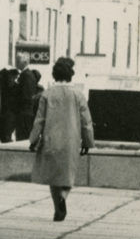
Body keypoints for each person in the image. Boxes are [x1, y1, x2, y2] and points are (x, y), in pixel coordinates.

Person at [30, 56, 94, 221]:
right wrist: (87, 141)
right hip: (71, 140)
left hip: (51, 140)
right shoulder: (78, 95)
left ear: (54, 75)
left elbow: (39, 120)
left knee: (53, 176)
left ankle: (56, 206)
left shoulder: (47, 94)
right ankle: (64, 197)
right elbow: (86, 121)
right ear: (71, 75)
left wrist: (33, 139)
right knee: (68, 175)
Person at [14, 59, 44, 141]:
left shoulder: (26, 75)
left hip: (24, 113)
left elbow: (26, 95)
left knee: (23, 137)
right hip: (26, 112)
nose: (16, 63)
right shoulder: (26, 74)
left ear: (24, 63)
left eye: (18, 61)